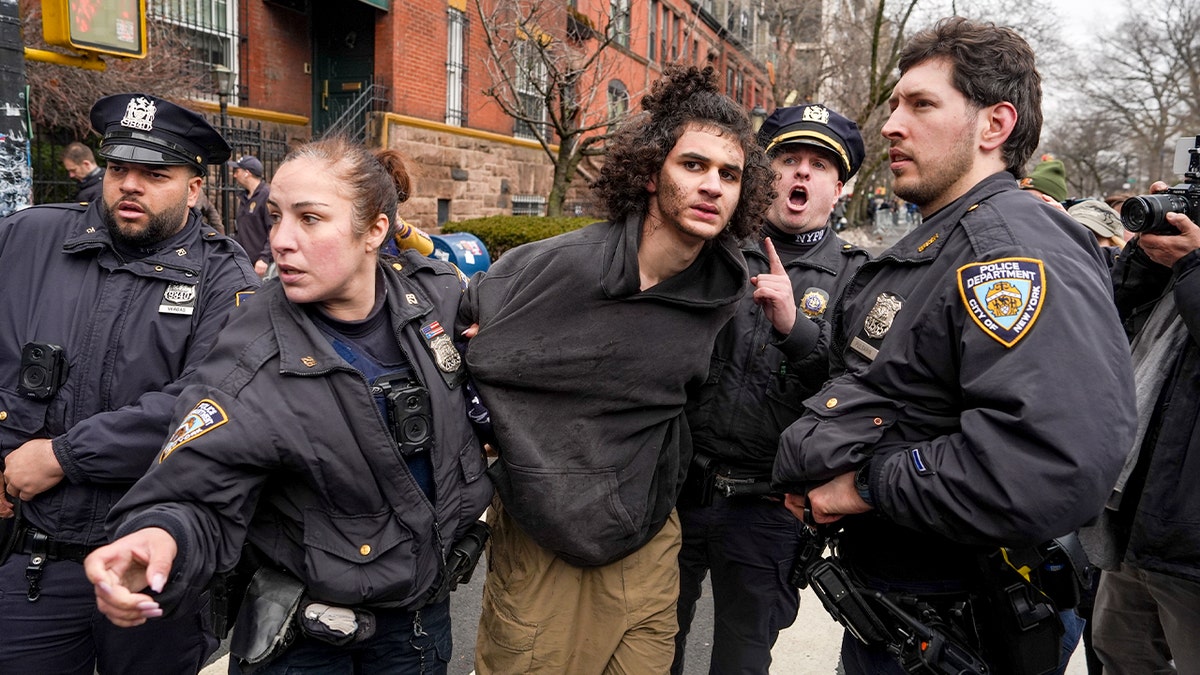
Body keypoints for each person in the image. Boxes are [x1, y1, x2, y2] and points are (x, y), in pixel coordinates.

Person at [771, 17, 1136, 675]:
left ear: (994, 126)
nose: (889, 125)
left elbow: (1050, 463)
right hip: (893, 613)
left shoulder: (1008, 256)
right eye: (893, 105)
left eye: (921, 104)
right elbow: (880, 391)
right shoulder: (934, 247)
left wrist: (862, 484)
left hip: (958, 626)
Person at [84, 136, 493, 674]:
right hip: (307, 641)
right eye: (276, 216)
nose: (280, 240)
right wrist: (160, 537)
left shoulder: (435, 295)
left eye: (310, 219)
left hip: (421, 626)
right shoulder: (248, 350)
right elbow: (195, 487)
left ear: (374, 230)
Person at [459, 64, 773, 673]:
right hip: (542, 537)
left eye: (729, 175)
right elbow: (455, 331)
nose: (713, 185)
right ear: (652, 172)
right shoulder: (555, 266)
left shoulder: (725, 292)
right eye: (694, 165)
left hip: (647, 540)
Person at [0, 93, 258, 674]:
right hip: (33, 562)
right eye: (118, 169)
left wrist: (65, 456)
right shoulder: (28, 240)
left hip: (151, 561)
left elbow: (209, 404)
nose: (128, 186)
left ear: (194, 189)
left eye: (154, 174)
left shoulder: (226, 277)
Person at [672, 103, 869, 675]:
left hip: (767, 510)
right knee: (652, 645)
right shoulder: (712, 248)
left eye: (819, 165)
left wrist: (795, 327)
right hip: (679, 490)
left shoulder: (861, 278)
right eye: (788, 159)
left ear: (838, 189)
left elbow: (858, 391)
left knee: (742, 656)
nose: (801, 174)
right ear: (765, 175)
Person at [1081, 180, 1200, 674]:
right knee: (1119, 656)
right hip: (1136, 515)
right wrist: (1151, 256)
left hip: (1190, 541)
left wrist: (1194, 262)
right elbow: (1113, 308)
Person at [229, 154, 272, 276]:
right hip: (247, 263)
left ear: (247, 173)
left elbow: (273, 228)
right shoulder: (244, 197)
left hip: (263, 266)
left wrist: (265, 258)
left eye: (237, 171)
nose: (234, 175)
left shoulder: (266, 195)